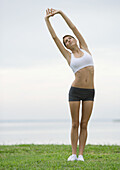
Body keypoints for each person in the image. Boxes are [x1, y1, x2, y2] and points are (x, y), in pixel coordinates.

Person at [44, 8, 95, 162]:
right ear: (65, 46)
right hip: (75, 91)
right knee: (75, 124)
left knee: (84, 124)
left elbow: (73, 28)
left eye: (69, 39)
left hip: (90, 91)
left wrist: (60, 13)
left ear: (75, 40)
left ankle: (81, 155)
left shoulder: (85, 48)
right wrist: (47, 20)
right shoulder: (68, 56)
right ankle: (73, 154)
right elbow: (54, 38)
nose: (68, 41)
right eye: (65, 41)